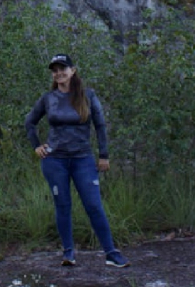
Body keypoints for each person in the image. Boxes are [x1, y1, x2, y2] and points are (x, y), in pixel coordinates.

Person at [25, 52, 130, 268]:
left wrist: (104, 155)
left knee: (93, 204)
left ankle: (111, 253)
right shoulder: (48, 99)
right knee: (62, 204)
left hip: (83, 158)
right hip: (55, 161)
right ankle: (68, 253)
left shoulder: (88, 96)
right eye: (54, 70)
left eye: (62, 69)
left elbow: (100, 125)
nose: (58, 73)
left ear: (73, 71)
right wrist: (37, 145)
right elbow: (30, 122)